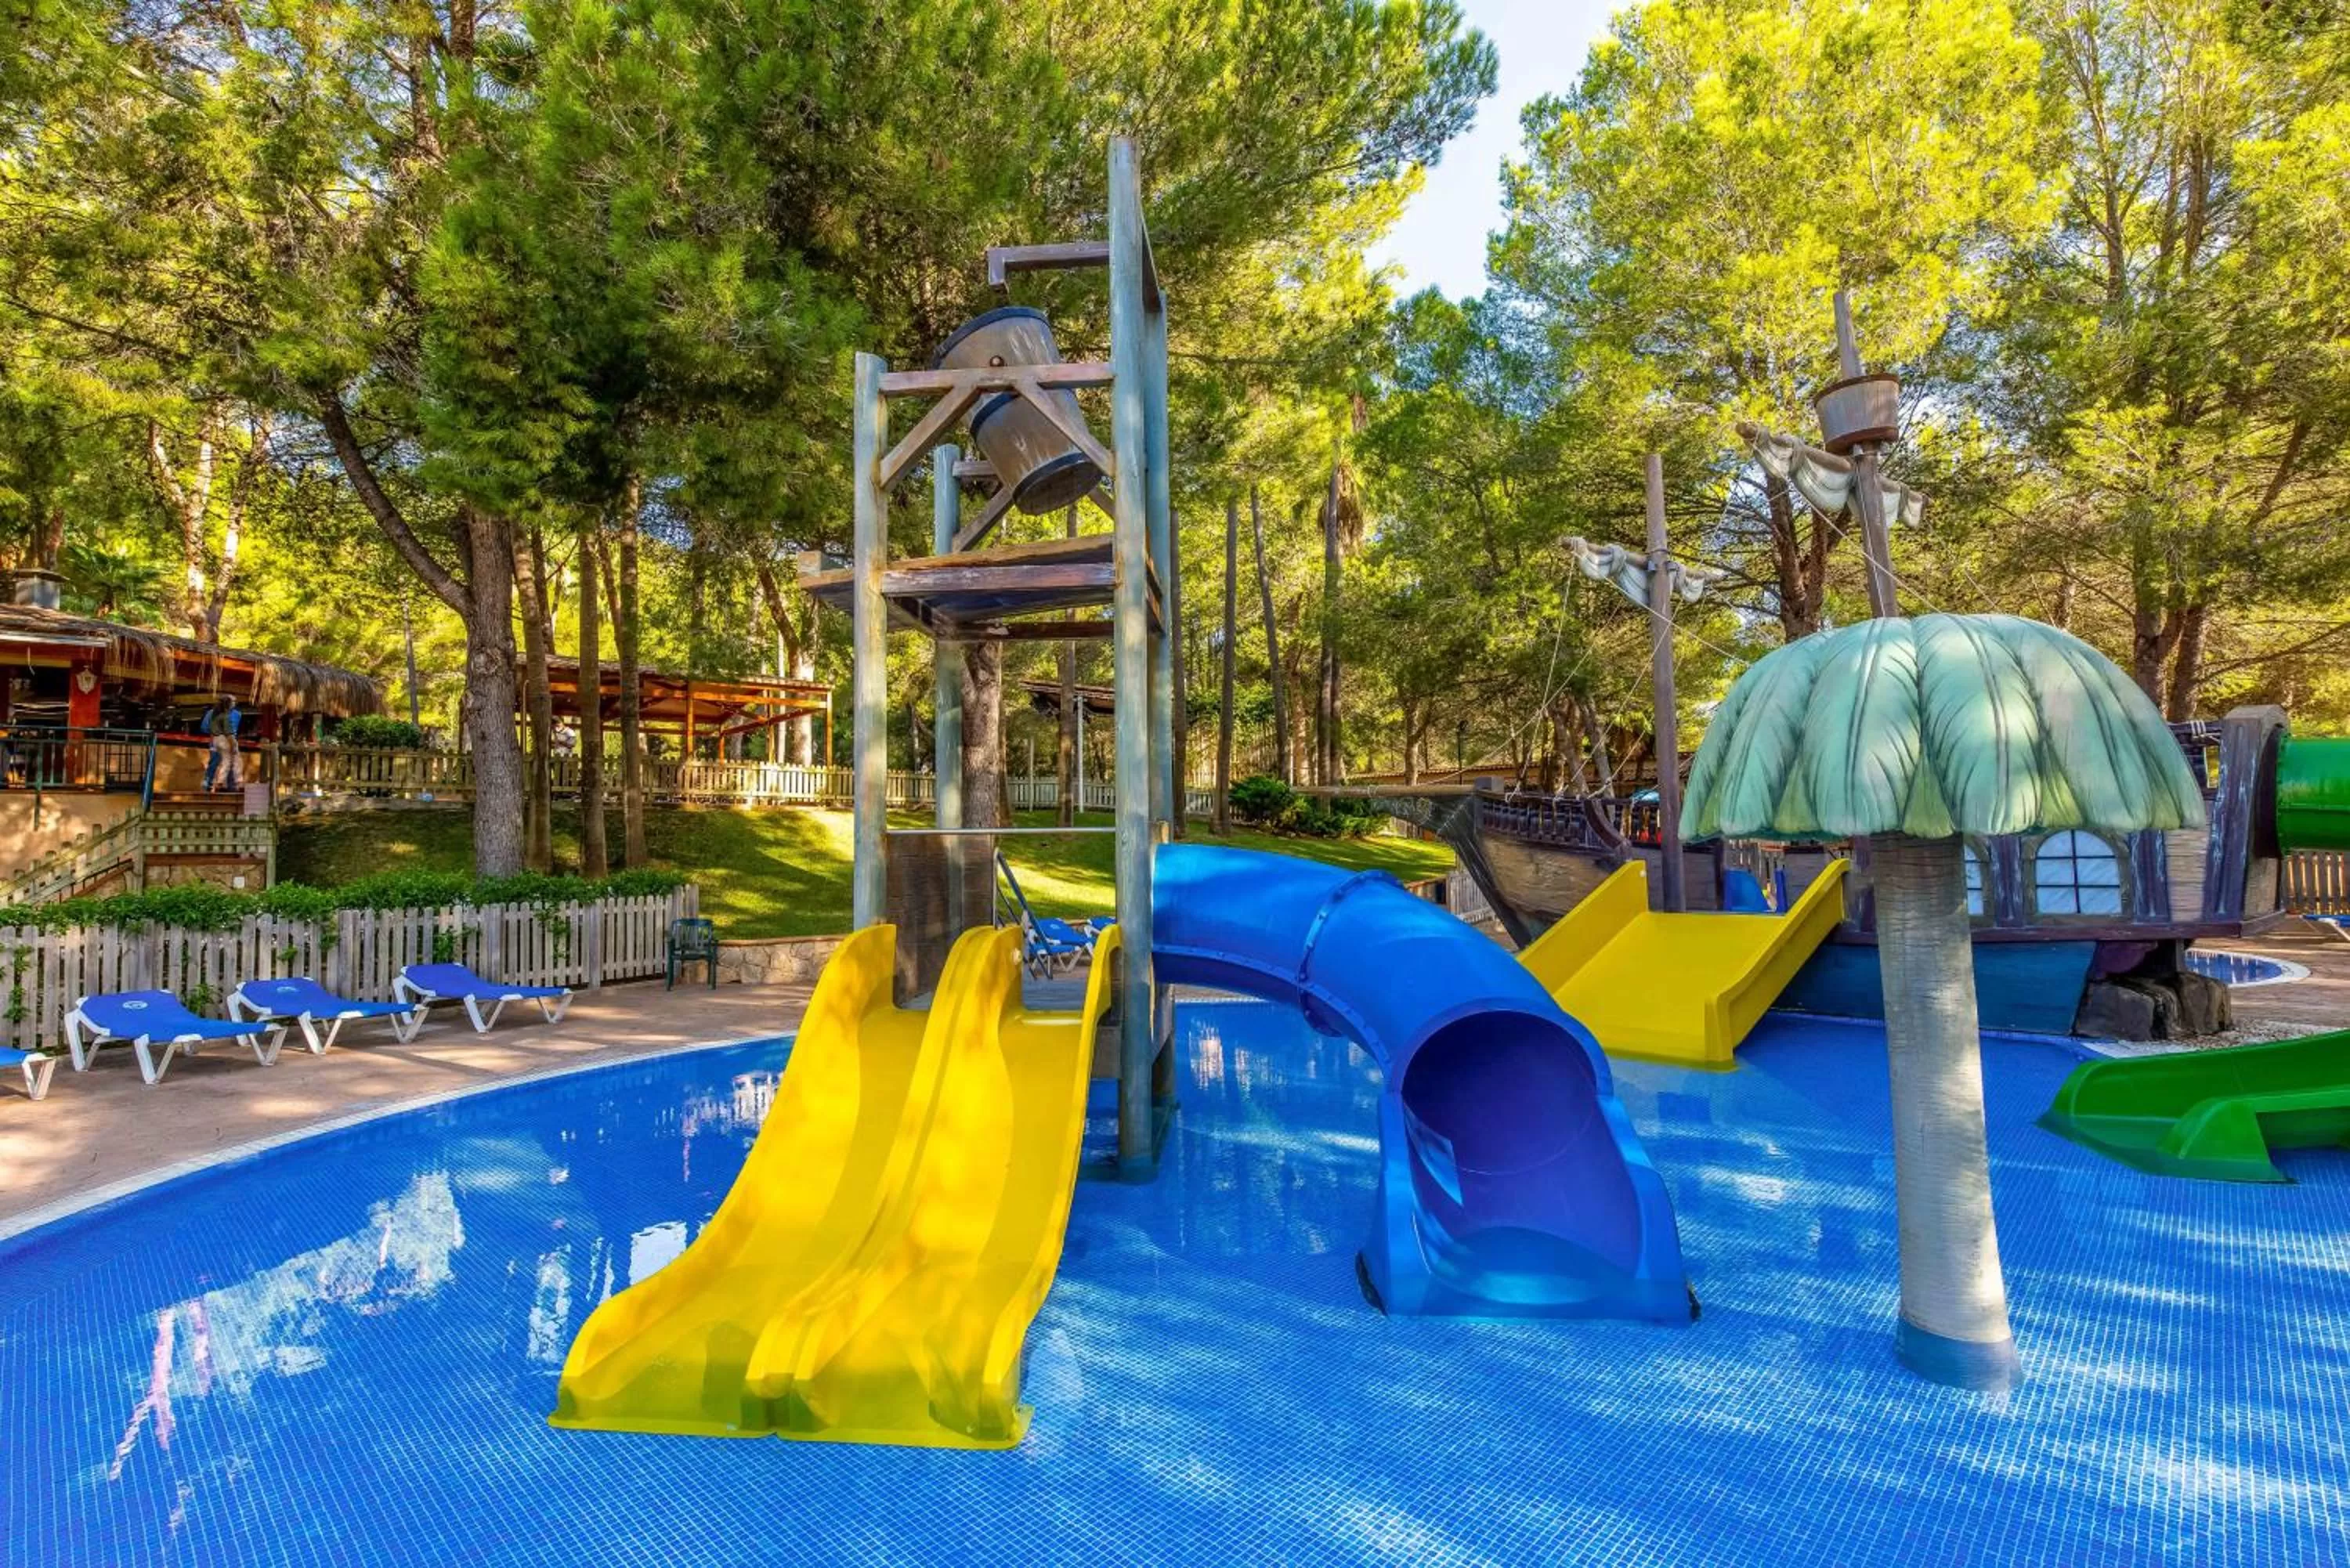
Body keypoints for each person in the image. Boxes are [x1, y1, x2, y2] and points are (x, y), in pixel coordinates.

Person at [204, 698, 242, 792]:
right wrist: (233, 745)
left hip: (216, 740)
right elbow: (229, 733)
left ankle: (219, 782)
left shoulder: (214, 714)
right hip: (224, 739)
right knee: (236, 761)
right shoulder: (226, 716)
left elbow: (207, 728)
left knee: (224, 761)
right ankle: (237, 783)